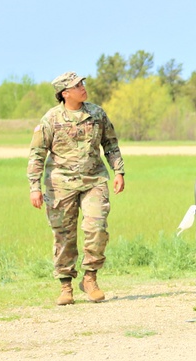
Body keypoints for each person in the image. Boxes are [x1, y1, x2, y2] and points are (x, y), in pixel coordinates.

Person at [28, 72, 125, 305]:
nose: (83, 87)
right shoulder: (50, 119)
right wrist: (34, 186)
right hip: (60, 184)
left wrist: (118, 171)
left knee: (97, 227)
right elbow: (37, 154)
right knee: (64, 235)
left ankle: (90, 278)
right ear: (65, 93)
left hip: (94, 180)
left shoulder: (97, 113)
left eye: (82, 83)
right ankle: (65, 286)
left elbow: (110, 144)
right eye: (77, 85)